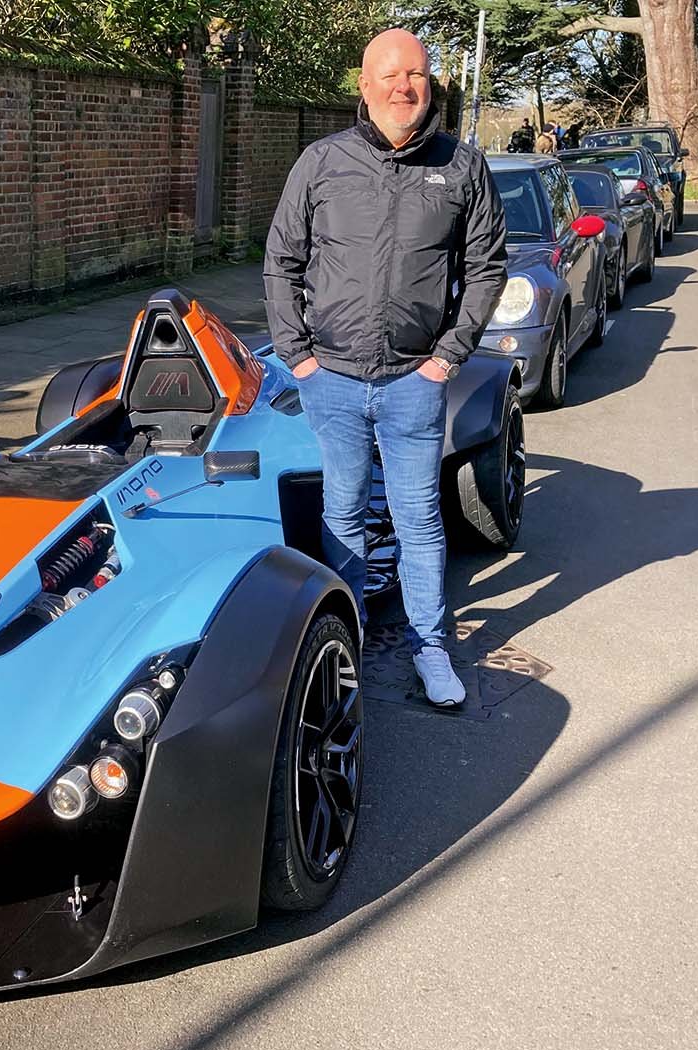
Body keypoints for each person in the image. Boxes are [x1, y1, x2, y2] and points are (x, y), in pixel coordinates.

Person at [264, 28, 507, 708]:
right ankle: (349, 640)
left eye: (418, 75)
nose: (405, 87)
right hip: (332, 380)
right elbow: (281, 261)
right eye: (392, 75)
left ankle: (431, 647)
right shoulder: (321, 162)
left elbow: (487, 268)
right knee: (342, 513)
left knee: (418, 518)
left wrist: (447, 357)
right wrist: (298, 356)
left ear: (431, 85)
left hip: (413, 382)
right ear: (365, 85)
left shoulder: (461, 167)